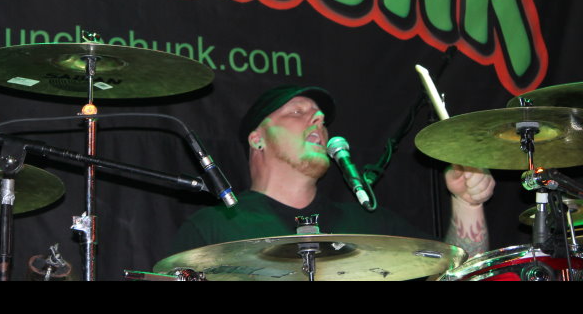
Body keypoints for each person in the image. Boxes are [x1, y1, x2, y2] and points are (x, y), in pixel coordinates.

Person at [171, 85, 495, 258]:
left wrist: (467, 202)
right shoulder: (211, 230)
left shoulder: (370, 225)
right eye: (297, 111)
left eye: (321, 118)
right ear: (257, 139)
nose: (318, 120)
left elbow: (462, 273)